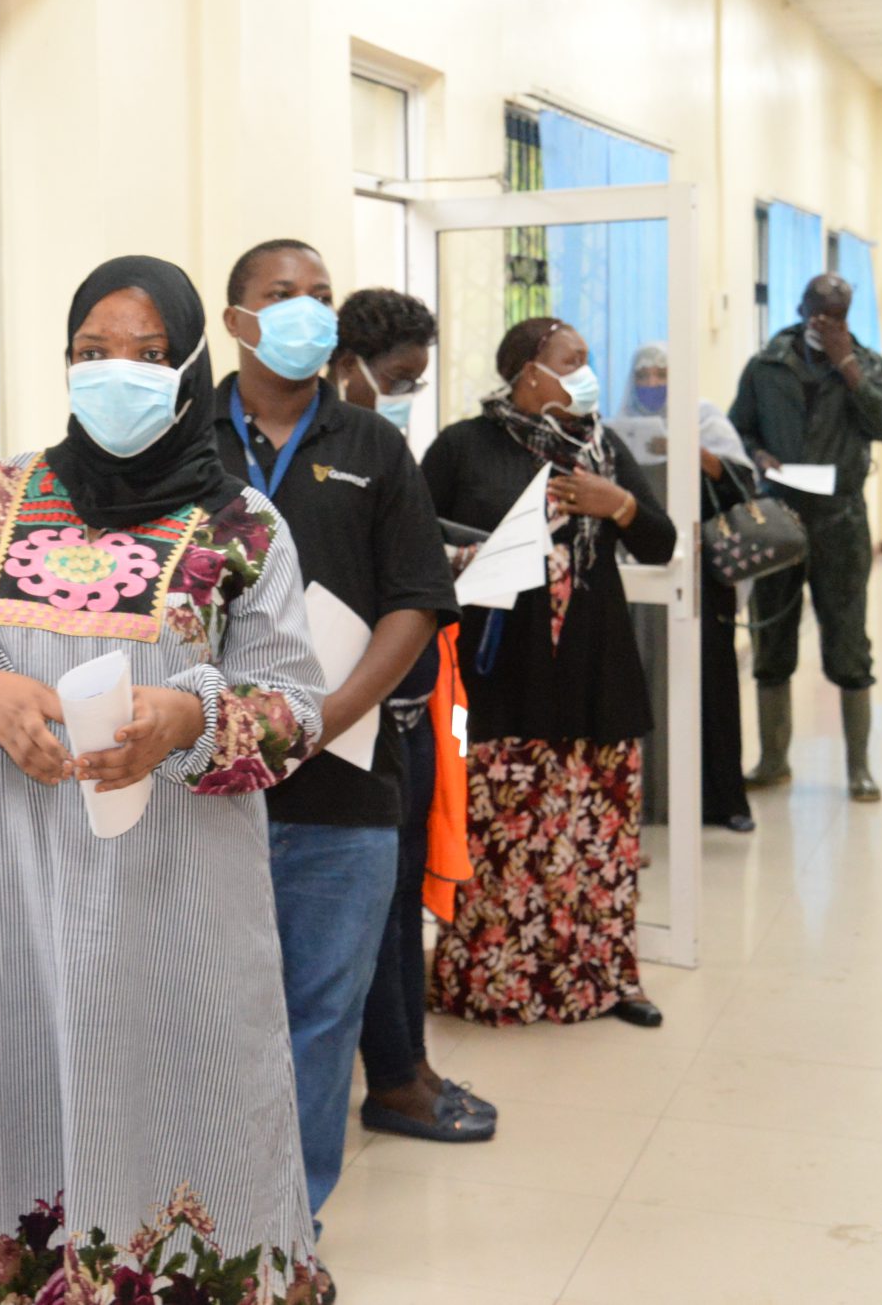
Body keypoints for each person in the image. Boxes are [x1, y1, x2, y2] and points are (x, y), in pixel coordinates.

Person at [0, 255, 333, 1300]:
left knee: (181, 1121)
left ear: (186, 369)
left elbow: (298, 708)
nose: (115, 372)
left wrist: (189, 712)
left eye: (145, 353)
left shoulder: (242, 528)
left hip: (176, 917)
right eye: (93, 352)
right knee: (19, 1113)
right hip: (21, 914)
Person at [211, 244, 469, 1200]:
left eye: (321, 297)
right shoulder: (183, 438)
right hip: (198, 784)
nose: (309, 313)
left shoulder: (373, 445)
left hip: (344, 779)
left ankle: (291, 1228)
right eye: (283, 297)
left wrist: (327, 714)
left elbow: (415, 597)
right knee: (206, 1013)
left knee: (320, 1015)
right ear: (238, 319)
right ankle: (203, 1223)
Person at [422, 317, 678, 1028]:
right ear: (529, 372)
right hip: (501, 674)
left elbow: (660, 539)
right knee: (501, 840)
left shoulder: (599, 446)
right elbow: (412, 543)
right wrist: (477, 558)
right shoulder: (463, 447)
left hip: (595, 676)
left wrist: (618, 502)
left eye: (589, 360)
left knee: (597, 839)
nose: (585, 373)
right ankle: (493, 983)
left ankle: (606, 978)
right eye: (572, 360)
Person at [330, 287, 499, 1145]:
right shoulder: (320, 453)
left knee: (402, 900)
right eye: (396, 377)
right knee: (368, 904)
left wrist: (450, 553)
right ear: (344, 365)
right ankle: (392, 1076)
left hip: (410, 710)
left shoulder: (382, 445)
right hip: (348, 718)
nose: (404, 394)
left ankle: (408, 1065)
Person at [730, 272, 882, 802]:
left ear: (848, 314)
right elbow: (739, 427)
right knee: (772, 640)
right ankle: (773, 760)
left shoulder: (868, 364)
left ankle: (858, 767)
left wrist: (848, 365)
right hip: (778, 518)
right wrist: (758, 455)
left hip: (841, 520)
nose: (825, 320)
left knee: (849, 643)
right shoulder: (767, 365)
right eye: (818, 309)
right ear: (802, 305)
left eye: (837, 312)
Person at [621, 342, 756, 833]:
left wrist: (693, 454)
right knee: (642, 683)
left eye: (661, 375)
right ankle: (646, 796)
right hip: (640, 576)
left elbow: (744, 485)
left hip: (701, 575)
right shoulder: (619, 427)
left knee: (711, 685)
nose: (652, 384)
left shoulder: (705, 420)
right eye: (644, 376)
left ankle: (724, 800)